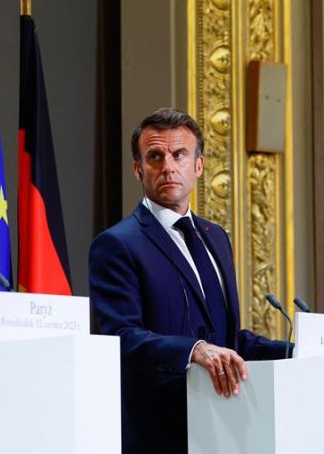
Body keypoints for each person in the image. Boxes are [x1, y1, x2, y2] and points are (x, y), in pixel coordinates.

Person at [89, 107, 288, 454]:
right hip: (159, 431)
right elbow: (121, 338)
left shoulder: (216, 237)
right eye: (155, 156)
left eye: (179, 154)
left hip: (226, 425)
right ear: (138, 170)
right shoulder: (117, 244)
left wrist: (295, 352)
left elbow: (225, 337)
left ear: (198, 165)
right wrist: (193, 351)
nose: (168, 166)